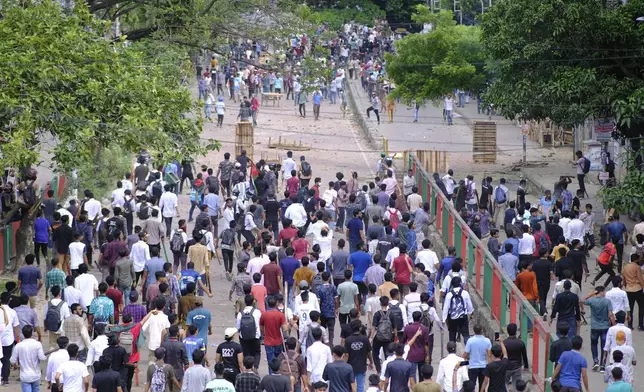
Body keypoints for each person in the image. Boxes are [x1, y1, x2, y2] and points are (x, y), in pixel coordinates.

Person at [581, 286, 613, 371]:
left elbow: (581, 300)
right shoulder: (607, 301)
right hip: (605, 327)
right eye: (604, 292)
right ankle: (603, 365)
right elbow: (610, 314)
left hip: (594, 327)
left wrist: (590, 294)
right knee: (604, 346)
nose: (605, 293)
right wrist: (614, 324)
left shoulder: (592, 301)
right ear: (601, 292)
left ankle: (595, 361)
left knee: (594, 344)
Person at [10, 325, 46, 392]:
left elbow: (12, 360)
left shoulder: (18, 346)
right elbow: (42, 357)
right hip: (36, 375)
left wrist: (16, 364)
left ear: (23, 334)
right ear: (32, 333)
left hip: (24, 376)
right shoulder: (37, 344)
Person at [260, 297, 289, 372]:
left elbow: (261, 328)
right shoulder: (280, 315)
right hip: (278, 341)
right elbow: (285, 329)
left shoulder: (264, 315)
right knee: (278, 360)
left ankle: (271, 375)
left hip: (268, 341)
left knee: (270, 361)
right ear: (276, 304)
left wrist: (265, 334)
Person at [441, 276, 473, 343]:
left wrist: (444, 319)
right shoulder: (465, 293)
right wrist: (470, 312)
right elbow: (470, 306)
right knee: (466, 334)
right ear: (460, 283)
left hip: (452, 318)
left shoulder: (449, 294)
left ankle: (452, 350)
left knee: (452, 334)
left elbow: (446, 308)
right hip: (463, 317)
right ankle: (468, 349)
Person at [344, 319, 373, 392]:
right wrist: (371, 362)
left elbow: (346, 354)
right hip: (362, 366)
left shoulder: (348, 340)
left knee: (350, 386)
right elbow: (369, 352)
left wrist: (344, 364)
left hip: (350, 366)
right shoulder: (365, 339)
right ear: (360, 328)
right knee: (360, 386)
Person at [236, 294, 262, 370]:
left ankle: (248, 368)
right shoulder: (257, 312)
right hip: (255, 336)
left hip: (243, 337)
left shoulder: (241, 313)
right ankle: (256, 367)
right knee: (256, 352)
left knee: (246, 353)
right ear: (253, 302)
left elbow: (238, 327)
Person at [462, 324, 491, 390]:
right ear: (482, 331)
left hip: (472, 366)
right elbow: (489, 355)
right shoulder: (487, 341)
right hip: (483, 366)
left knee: (471, 386)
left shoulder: (470, 341)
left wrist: (461, 362)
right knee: (482, 386)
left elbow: (465, 354)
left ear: (474, 331)